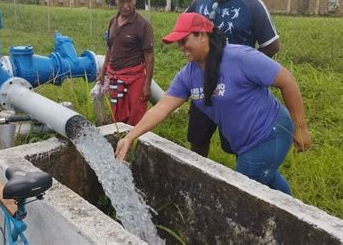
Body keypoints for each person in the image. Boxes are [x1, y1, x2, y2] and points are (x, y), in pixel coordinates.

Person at [115, 13, 311, 195]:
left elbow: (287, 81)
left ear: (202, 35)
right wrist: (130, 136)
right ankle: (302, 218)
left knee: (241, 193)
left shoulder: (239, 57)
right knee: (267, 179)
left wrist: (300, 127)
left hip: (270, 132)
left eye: (184, 41)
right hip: (245, 143)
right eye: (178, 43)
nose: (181, 47)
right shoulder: (189, 74)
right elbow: (162, 107)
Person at [185, 0, 281, 157]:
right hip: (201, 84)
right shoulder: (199, 3)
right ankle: (197, 174)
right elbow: (183, 32)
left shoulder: (251, 6)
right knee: (198, 138)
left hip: (234, 90)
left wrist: (245, 69)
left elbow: (272, 46)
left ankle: (242, 179)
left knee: (237, 141)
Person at [97, 0, 154, 126]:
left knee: (136, 111)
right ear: (116, 1)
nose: (126, 5)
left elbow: (149, 55)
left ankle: (136, 141)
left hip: (134, 76)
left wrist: (147, 85)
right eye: (122, 1)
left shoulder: (143, 25)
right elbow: (109, 48)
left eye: (129, 0)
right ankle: (120, 139)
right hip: (115, 76)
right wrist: (103, 72)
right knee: (117, 110)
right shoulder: (113, 21)